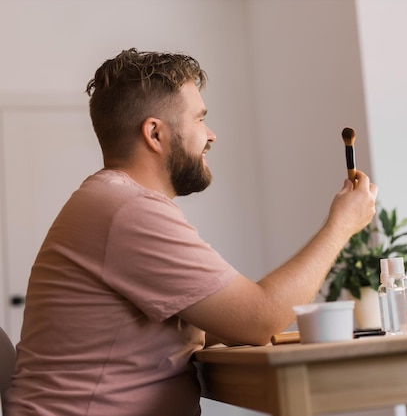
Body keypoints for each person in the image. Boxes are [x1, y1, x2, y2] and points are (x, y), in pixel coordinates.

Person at [4, 49, 377, 416]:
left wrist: (238, 320)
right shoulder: (128, 210)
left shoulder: (114, 202)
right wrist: (342, 223)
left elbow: (227, 322)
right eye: (199, 119)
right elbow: (259, 319)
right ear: (155, 133)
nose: (211, 135)